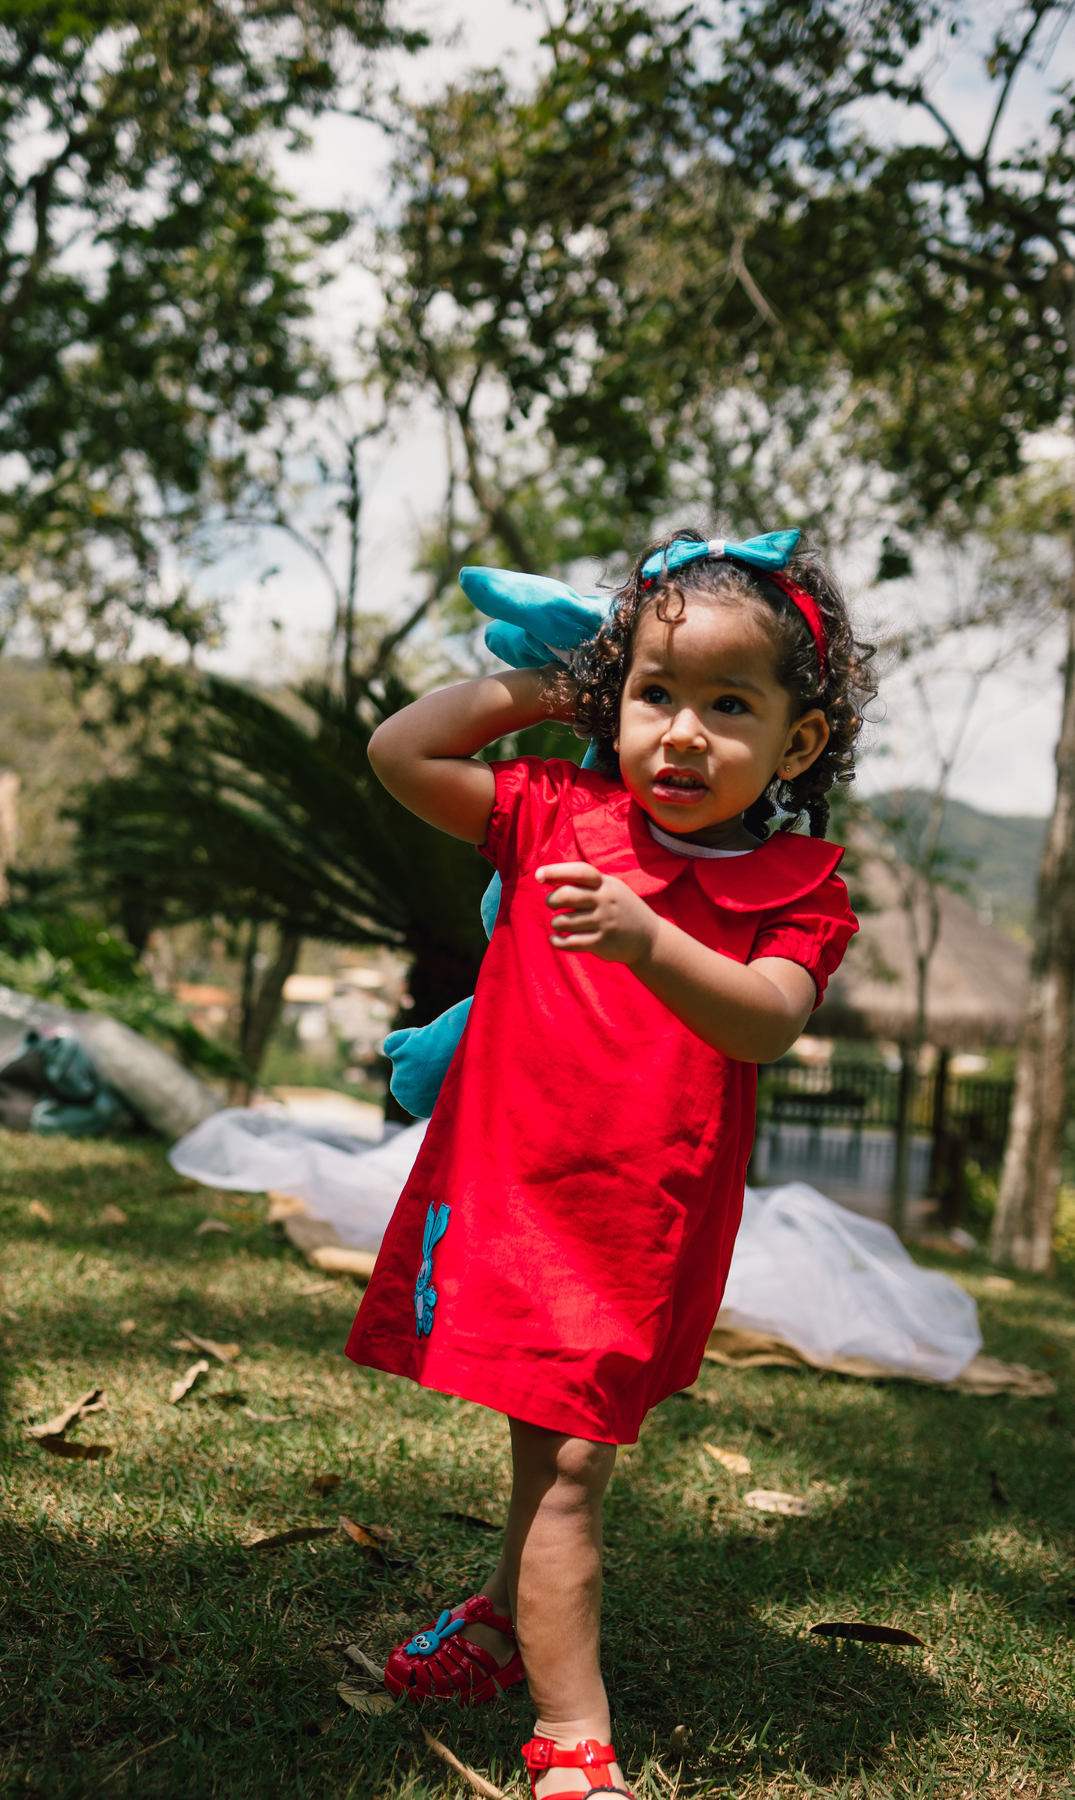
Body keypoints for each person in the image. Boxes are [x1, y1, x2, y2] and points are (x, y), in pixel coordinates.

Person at [345, 528, 873, 1800]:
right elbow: (402, 752)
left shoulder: (797, 893)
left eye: (729, 705)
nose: (683, 733)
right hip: (522, 1203)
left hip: (645, 1224)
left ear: (797, 742)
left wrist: (649, 941)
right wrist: (560, 684)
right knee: (568, 1463)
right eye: (654, 694)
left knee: (566, 1451)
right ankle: (572, 1735)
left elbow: (765, 1020)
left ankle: (495, 1623)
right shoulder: (554, 817)